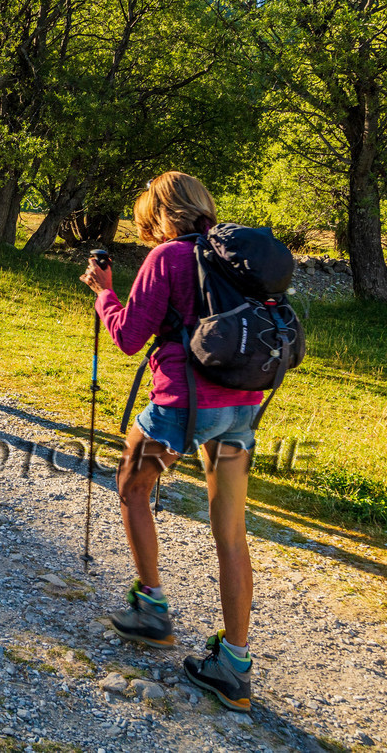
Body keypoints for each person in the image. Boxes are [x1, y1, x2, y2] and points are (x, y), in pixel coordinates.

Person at [79, 171, 261, 713]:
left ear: (158, 215)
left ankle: (152, 610)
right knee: (230, 532)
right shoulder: (236, 257)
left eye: (145, 222)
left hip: (182, 404)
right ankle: (234, 665)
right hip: (243, 404)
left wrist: (105, 294)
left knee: (132, 488)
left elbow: (130, 338)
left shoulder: (167, 258)